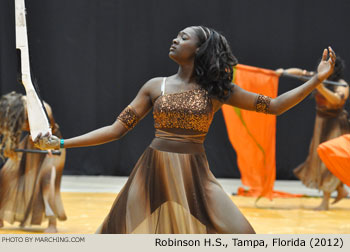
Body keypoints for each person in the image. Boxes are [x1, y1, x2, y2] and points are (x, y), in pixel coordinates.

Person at [35, 26, 336, 233]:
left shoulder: (219, 89)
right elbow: (116, 129)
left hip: (195, 176)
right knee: (112, 236)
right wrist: (61, 142)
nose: (175, 40)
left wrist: (317, 80)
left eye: (183, 37)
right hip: (152, 173)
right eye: (176, 36)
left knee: (244, 234)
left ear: (200, 48)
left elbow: (273, 106)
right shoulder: (155, 86)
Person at [277, 57, 349, 210]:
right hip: (321, 123)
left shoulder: (341, 84)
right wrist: (282, 72)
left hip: (335, 125)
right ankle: (340, 189)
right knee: (318, 158)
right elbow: (300, 73)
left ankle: (325, 202)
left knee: (328, 161)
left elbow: (337, 100)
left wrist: (321, 87)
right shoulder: (318, 77)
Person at [0, 92, 66, 233]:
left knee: (47, 180)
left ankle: (52, 224)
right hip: (31, 144)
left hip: (52, 145)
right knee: (5, 174)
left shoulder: (42, 110)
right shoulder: (11, 110)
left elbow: (49, 134)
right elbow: (8, 129)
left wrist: (48, 145)